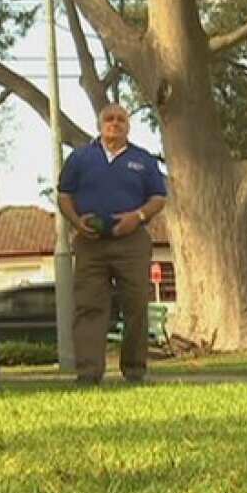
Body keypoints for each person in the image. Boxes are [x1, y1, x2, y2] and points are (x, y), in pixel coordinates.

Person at [57, 103, 167, 385]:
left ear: (128, 126)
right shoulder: (80, 158)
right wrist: (75, 221)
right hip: (90, 243)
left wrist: (138, 216)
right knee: (89, 307)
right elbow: (64, 196)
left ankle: (134, 371)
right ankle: (89, 373)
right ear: (99, 123)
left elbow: (158, 197)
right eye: (109, 118)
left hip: (132, 243)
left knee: (136, 306)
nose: (114, 123)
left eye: (120, 119)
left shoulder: (143, 160)